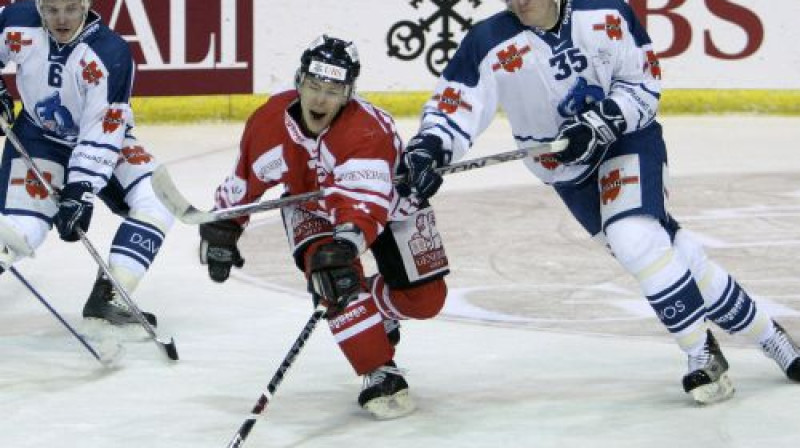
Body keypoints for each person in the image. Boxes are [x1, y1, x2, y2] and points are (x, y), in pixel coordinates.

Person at [400, 0, 800, 404]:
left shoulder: (606, 14)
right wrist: (430, 149)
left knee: (634, 238)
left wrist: (604, 120)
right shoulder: (488, 41)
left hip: (627, 141)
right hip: (566, 173)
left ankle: (702, 356)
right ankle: (772, 338)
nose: (519, 2)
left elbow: (643, 83)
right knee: (672, 254)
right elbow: (454, 107)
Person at [197, 35, 449, 419]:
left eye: (332, 91)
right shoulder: (268, 123)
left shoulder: (368, 131)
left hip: (391, 203)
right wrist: (225, 225)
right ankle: (379, 371)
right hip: (310, 208)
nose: (319, 100)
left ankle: (374, 310)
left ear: (348, 93)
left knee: (427, 300)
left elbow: (363, 205)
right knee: (332, 276)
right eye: (313, 86)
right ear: (299, 81)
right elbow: (245, 180)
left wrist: (347, 242)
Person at [0, 0, 173, 329]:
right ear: (39, 5)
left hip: (101, 142)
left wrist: (80, 189)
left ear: (87, 4)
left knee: (157, 198)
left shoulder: (110, 52)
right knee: (19, 232)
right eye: (51, 9)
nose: (61, 19)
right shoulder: (17, 20)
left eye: (71, 8)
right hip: (39, 138)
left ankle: (110, 296)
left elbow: (103, 129)